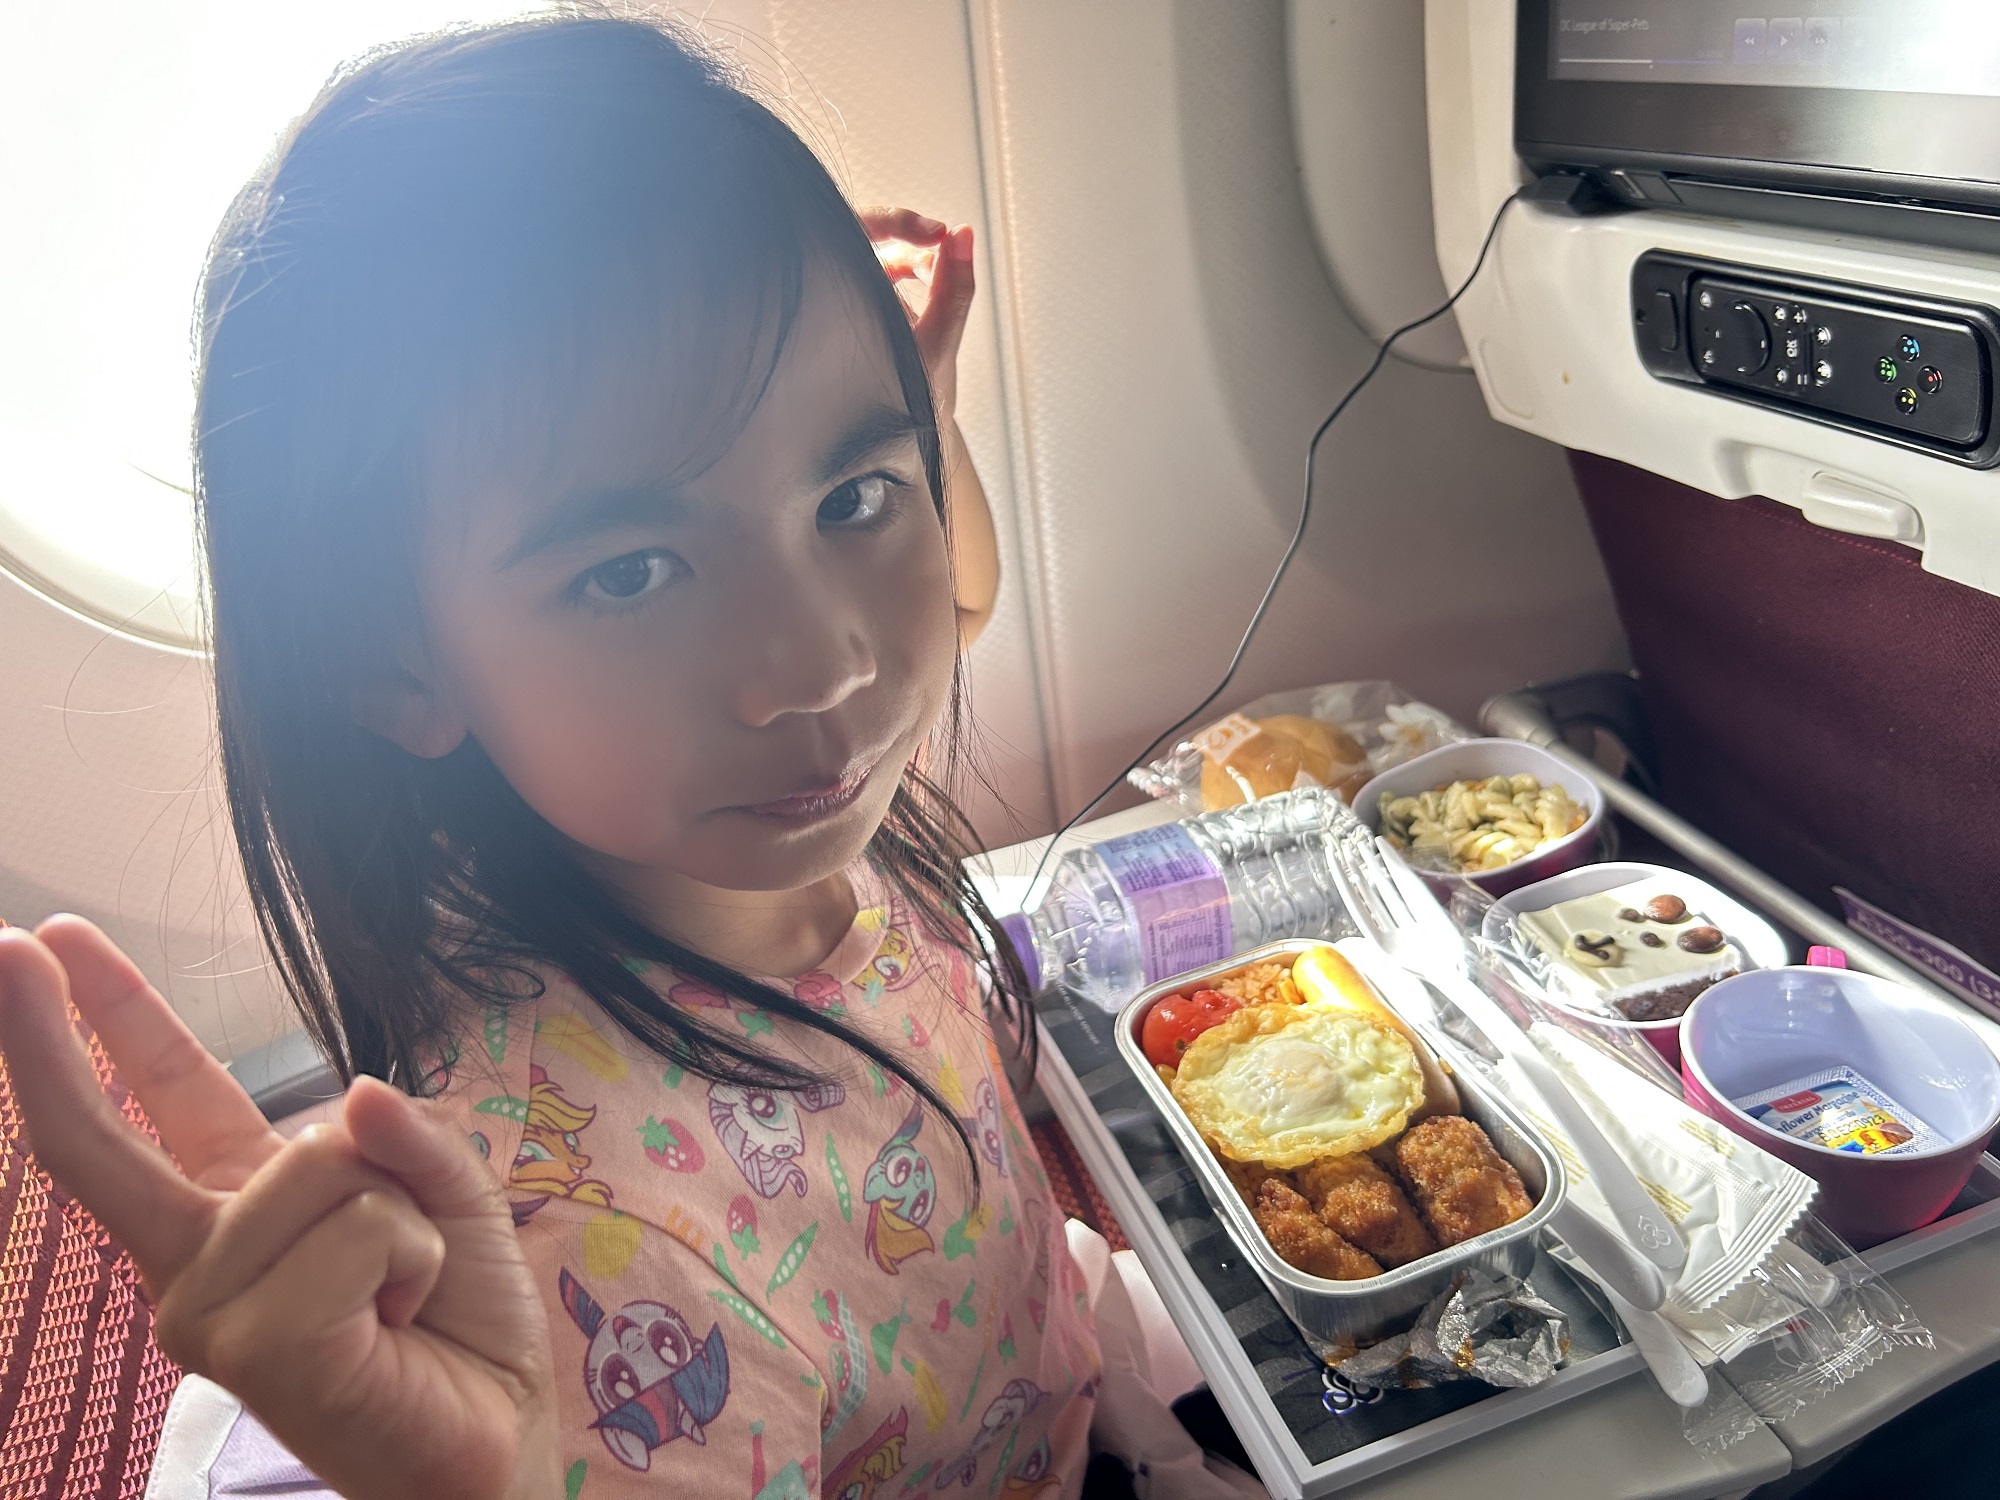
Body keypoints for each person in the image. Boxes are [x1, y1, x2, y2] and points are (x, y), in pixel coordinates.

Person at [0, 13, 1102, 1497]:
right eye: (630, 574)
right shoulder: (586, 1232)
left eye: (851, 496)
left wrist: (922, 422)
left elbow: (945, 601)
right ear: (398, 665)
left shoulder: (783, 794)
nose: (828, 662)